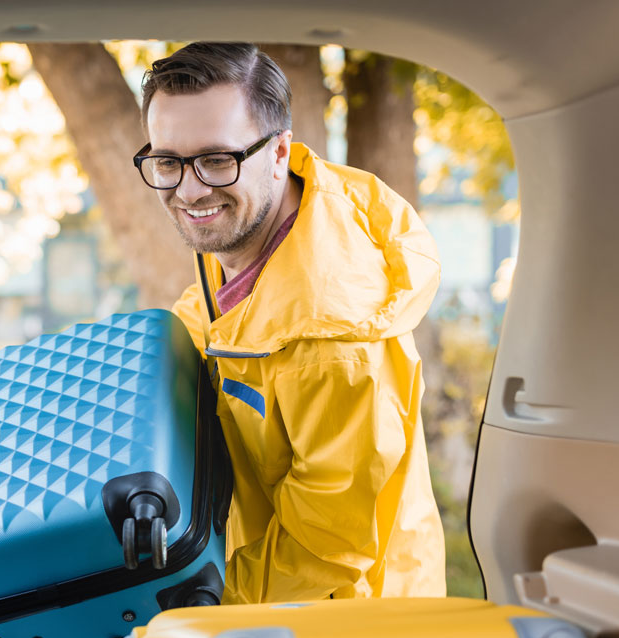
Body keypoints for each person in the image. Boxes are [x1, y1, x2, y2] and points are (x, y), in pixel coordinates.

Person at [135, 42, 445, 603]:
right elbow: (213, 328)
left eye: (216, 160)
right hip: (261, 598)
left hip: (343, 635)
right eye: (167, 162)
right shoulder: (252, 229)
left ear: (280, 152)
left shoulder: (333, 344)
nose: (190, 189)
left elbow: (325, 550)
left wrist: (174, 605)